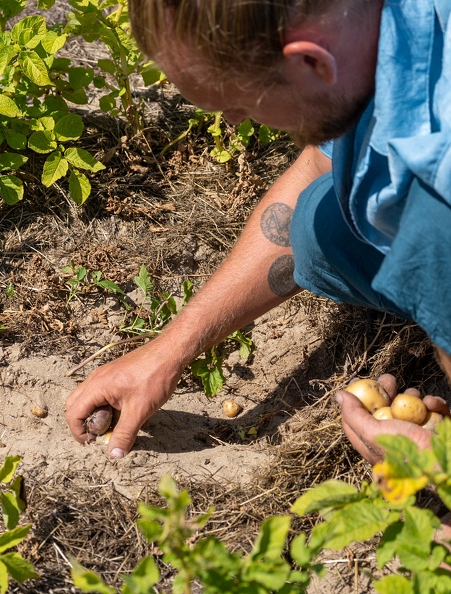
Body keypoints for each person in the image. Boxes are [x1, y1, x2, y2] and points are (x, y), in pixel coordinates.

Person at [65, 0, 451, 466]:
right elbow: (316, 165)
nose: (233, 121)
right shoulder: (358, 26)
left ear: (310, 60)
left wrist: (436, 464)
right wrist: (166, 353)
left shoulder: (430, 190)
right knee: (318, 221)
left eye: (239, 102)